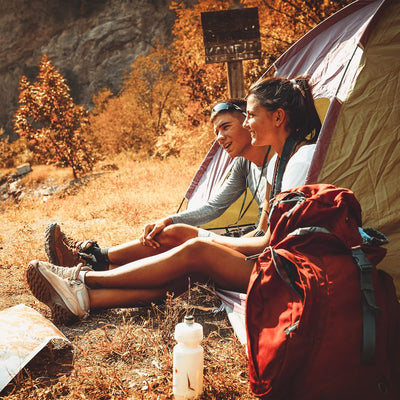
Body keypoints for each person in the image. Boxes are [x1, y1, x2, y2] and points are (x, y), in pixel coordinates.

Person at [26, 76, 321, 326]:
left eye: (250, 116)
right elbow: (251, 224)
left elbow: (269, 241)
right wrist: (185, 227)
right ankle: (83, 299)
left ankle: (84, 277)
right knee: (189, 267)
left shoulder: (299, 162)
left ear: (278, 117)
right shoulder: (279, 162)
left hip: (279, 271)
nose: (248, 122)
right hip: (270, 259)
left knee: (194, 248)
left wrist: (204, 238)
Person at [46, 99, 273, 271]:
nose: (219, 138)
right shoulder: (244, 164)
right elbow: (214, 208)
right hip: (253, 239)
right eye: (216, 132)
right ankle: (94, 261)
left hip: (261, 247)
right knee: (172, 232)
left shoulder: (281, 163)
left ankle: (90, 259)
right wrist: (168, 218)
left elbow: (266, 234)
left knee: (181, 240)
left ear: (248, 122)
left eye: (226, 127)